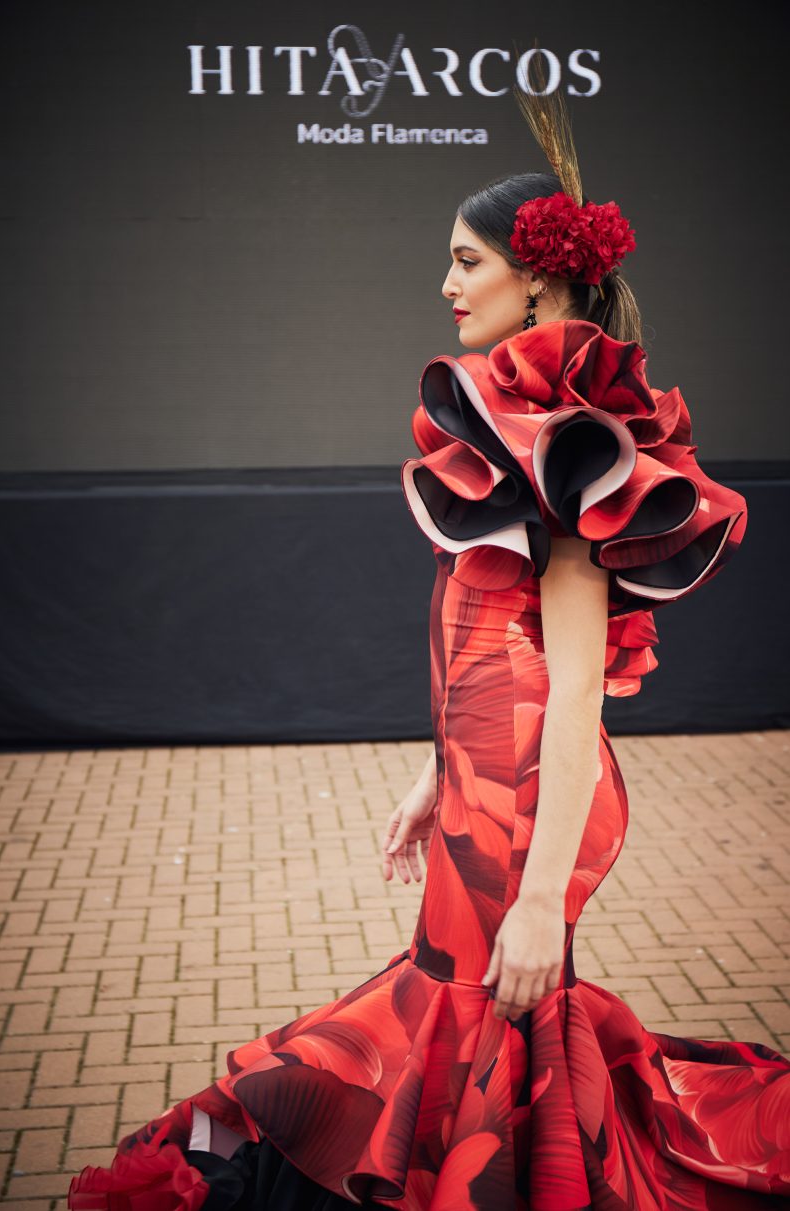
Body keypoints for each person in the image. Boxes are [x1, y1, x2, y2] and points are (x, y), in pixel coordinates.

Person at [68, 85, 790, 1211]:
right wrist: (434, 772)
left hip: (535, 800)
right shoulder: (510, 419)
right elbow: (490, 646)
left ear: (536, 278)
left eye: (466, 261)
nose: (447, 285)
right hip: (485, 782)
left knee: (472, 1002)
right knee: (477, 1011)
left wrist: (545, 887)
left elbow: (575, 689)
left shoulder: (568, 438)